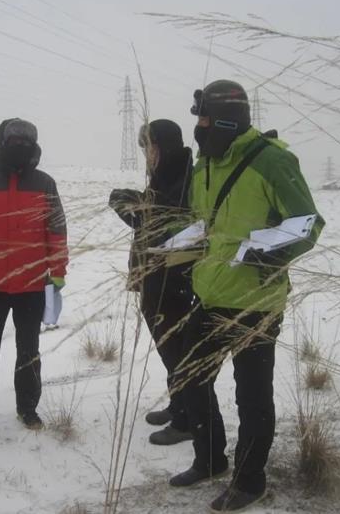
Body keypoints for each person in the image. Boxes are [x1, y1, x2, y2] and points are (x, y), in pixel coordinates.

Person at [169, 80, 324, 513]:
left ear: (226, 119)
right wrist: (173, 240)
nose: (198, 127)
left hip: (257, 302)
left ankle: (249, 481)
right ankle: (210, 459)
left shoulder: (272, 160)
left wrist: (260, 252)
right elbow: (206, 222)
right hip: (211, 293)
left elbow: (308, 223)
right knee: (189, 377)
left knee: (251, 396)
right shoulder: (205, 164)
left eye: (204, 118)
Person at [0, 118, 68, 437]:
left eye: (25, 143)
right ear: (1, 144)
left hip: (32, 285)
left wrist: (58, 271)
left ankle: (28, 407)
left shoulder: (45, 184)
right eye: (13, 142)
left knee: (29, 351)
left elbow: (56, 231)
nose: (20, 148)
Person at [108, 119, 195, 446]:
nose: (147, 154)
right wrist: (129, 201)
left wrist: (136, 210)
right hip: (156, 278)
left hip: (172, 279)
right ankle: (178, 405)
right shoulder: (166, 175)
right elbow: (151, 212)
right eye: (145, 148)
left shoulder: (185, 178)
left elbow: (165, 220)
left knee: (176, 350)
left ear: (165, 147)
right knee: (168, 348)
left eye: (151, 147)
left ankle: (187, 420)